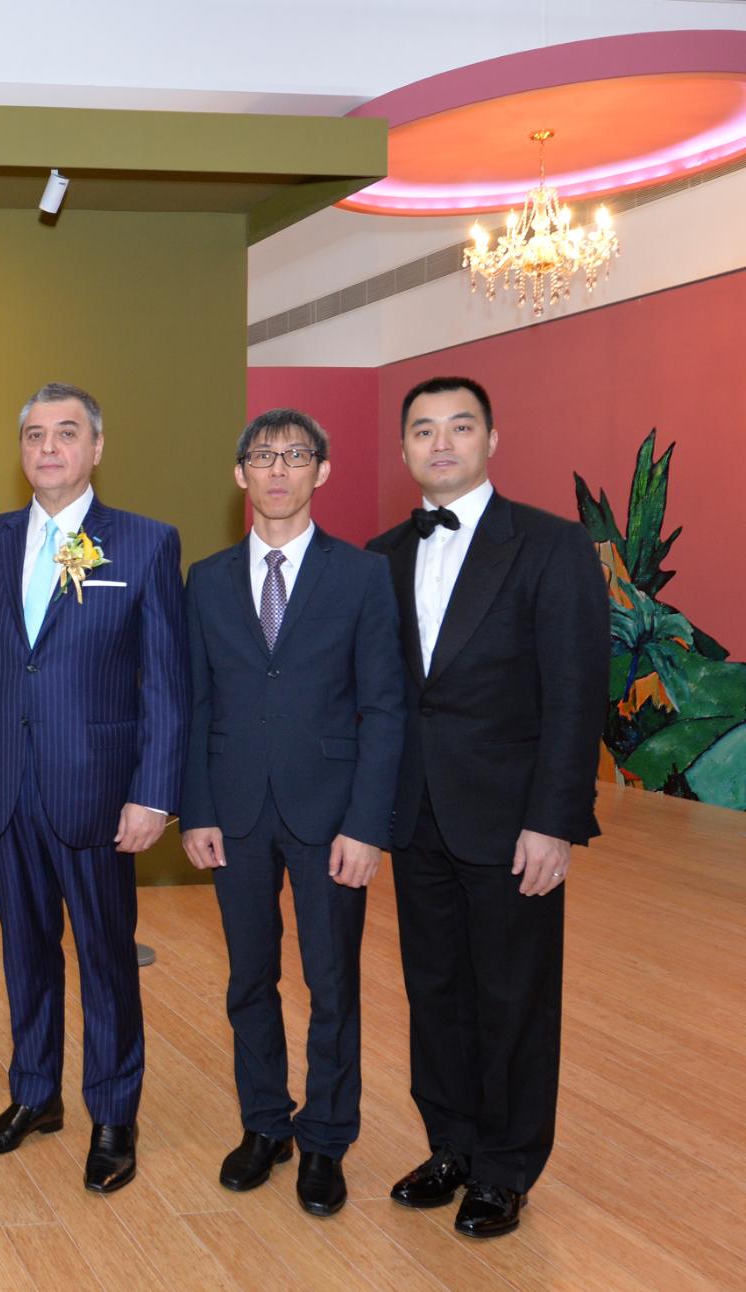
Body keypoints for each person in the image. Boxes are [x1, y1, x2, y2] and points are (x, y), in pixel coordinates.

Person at [367, 376, 607, 1238]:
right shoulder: (382, 554)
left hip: (512, 820)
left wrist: (554, 821)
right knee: (434, 990)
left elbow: (576, 694)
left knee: (514, 998)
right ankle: (453, 1147)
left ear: (491, 440)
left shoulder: (550, 545)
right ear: (404, 449)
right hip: (415, 814)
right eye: (423, 430)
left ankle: (506, 1168)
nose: (441, 443)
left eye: (459, 427)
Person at [0, 382, 184, 1192]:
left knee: (107, 959)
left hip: (100, 793)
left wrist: (153, 793)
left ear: (97, 447)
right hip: (4, 788)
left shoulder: (145, 543)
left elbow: (166, 683)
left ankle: (114, 1115)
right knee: (25, 953)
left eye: (67, 433)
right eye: (35, 435)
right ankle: (34, 1095)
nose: (49, 448)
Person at [178, 409, 404, 1216]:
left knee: (332, 982)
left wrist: (368, 824)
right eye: (263, 456)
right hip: (233, 810)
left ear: (321, 471)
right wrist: (196, 809)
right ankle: (264, 1125)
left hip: (332, 815)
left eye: (295, 455)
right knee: (250, 978)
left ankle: (327, 1139)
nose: (278, 470)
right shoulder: (205, 579)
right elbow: (195, 701)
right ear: (240, 474)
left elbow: (384, 707)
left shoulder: (363, 576)